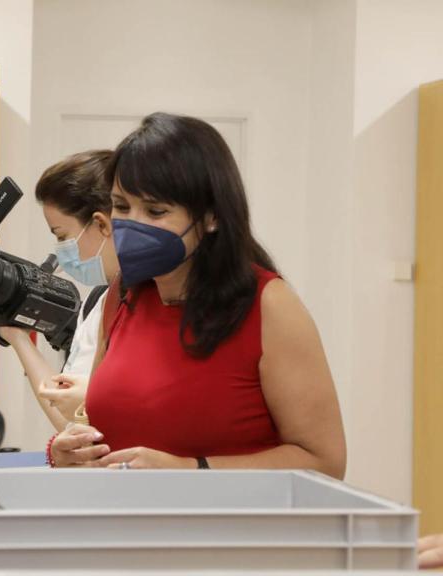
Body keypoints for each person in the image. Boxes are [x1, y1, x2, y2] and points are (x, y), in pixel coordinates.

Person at [48, 113, 346, 479]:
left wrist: (192, 471)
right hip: (123, 528)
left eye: (156, 211)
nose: (132, 225)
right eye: (122, 207)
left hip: (223, 533)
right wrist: (73, 453)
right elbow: (108, 424)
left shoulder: (269, 305)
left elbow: (325, 463)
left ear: (212, 217)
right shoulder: (123, 294)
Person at [0, 150, 119, 431]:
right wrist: (16, 335)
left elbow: (76, 421)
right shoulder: (99, 300)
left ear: (101, 223)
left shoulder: (145, 302)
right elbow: (72, 418)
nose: (61, 250)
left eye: (62, 236)